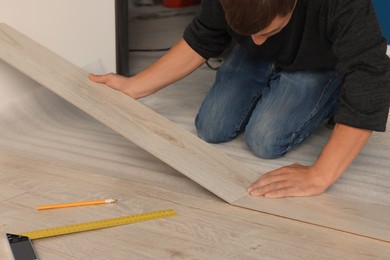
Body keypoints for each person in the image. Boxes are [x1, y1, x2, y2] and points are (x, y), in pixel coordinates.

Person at [89, 0, 390, 198]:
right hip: (255, 58)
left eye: (269, 30)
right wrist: (134, 86)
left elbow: (371, 78)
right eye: (251, 32)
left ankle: (332, 85)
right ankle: (268, 52)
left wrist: (320, 175)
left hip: (319, 60)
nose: (259, 39)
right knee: (211, 127)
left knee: (266, 140)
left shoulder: (342, 5)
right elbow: (202, 35)